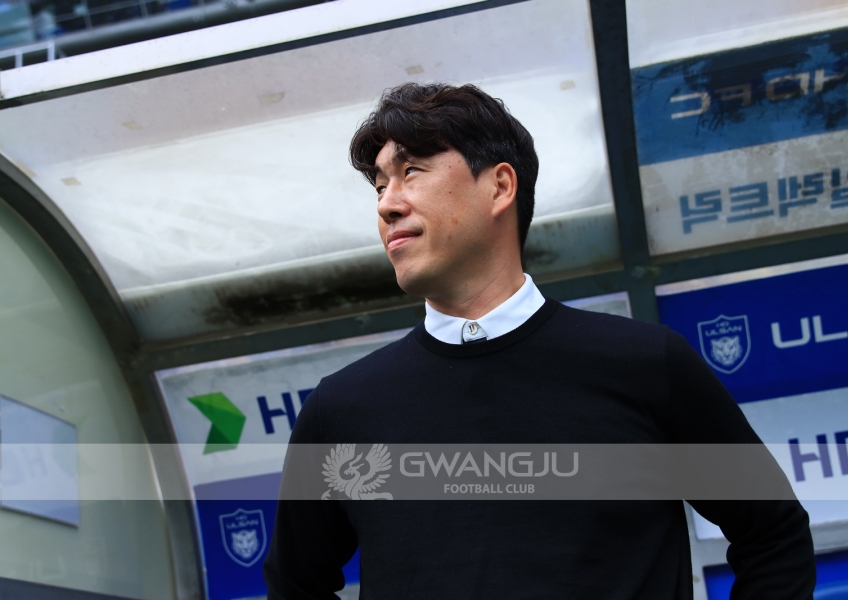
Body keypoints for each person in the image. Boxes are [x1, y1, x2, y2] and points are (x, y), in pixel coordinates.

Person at [263, 83, 815, 599]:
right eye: (381, 185)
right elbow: (294, 585)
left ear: (500, 186)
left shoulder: (644, 363)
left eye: (412, 171)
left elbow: (773, 534)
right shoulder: (341, 410)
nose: (387, 204)